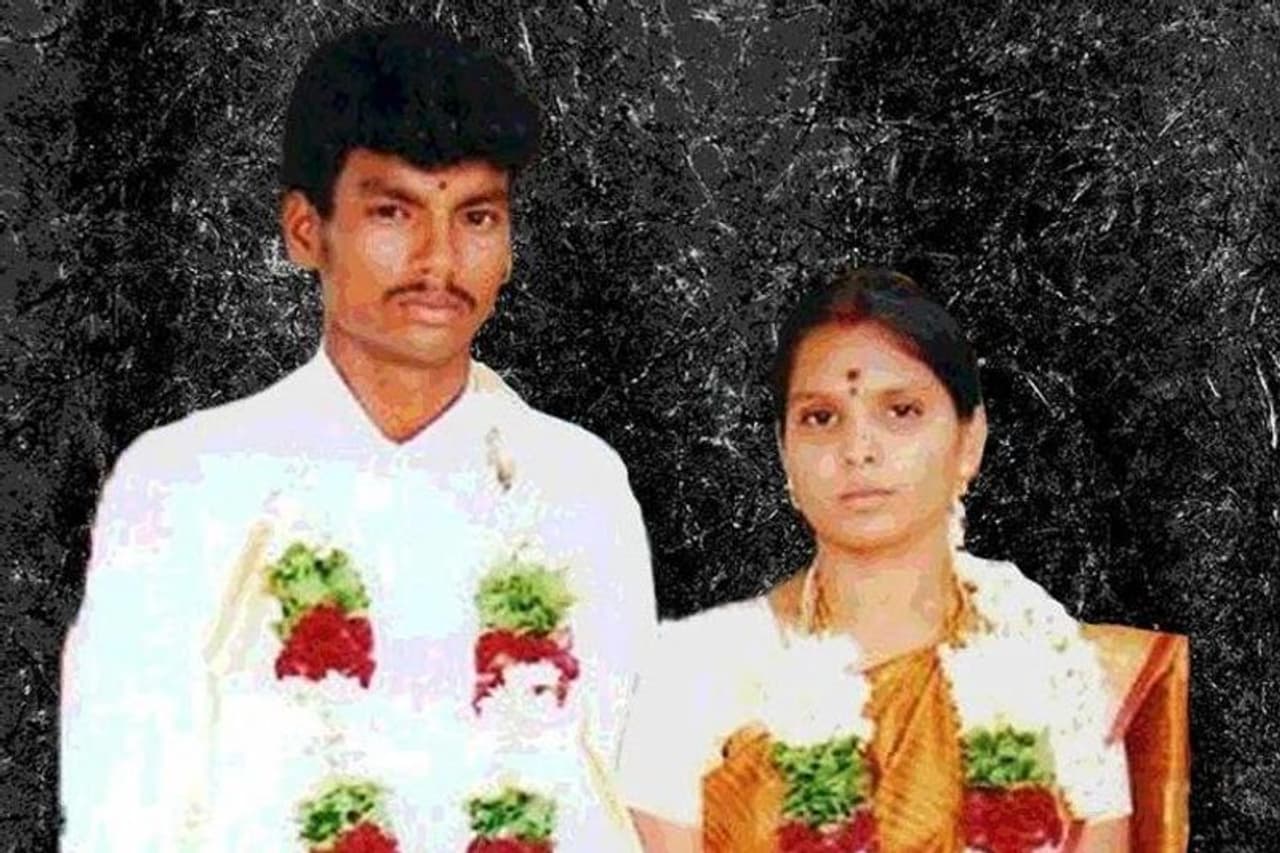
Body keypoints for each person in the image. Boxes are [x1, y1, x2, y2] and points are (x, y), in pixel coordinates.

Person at [61, 23, 655, 851]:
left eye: (476, 216)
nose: (439, 260)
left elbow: (624, 797)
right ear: (306, 230)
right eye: (393, 212)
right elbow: (121, 820)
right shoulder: (184, 485)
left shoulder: (576, 484)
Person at [618, 268, 1188, 852]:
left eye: (901, 411)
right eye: (820, 417)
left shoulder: (1058, 672)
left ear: (970, 440)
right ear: (785, 452)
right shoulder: (695, 673)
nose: (858, 449)